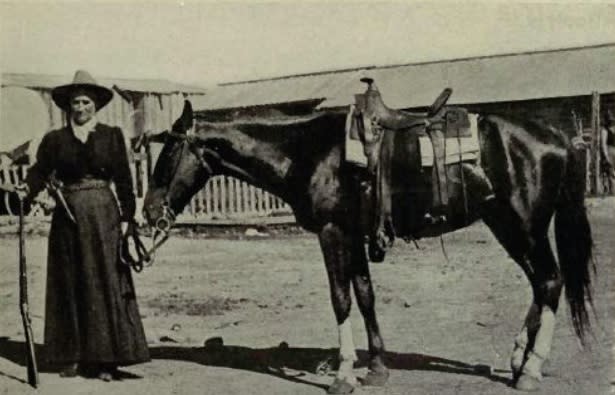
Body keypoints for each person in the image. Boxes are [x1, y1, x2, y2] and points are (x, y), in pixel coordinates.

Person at [15, 70, 150, 381]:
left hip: (104, 217)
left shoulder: (111, 136)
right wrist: (26, 189)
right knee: (70, 282)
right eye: (75, 102)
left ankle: (106, 360)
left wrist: (129, 219)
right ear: (68, 107)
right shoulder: (54, 141)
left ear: (96, 106)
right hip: (68, 218)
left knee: (104, 281)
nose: (80, 108)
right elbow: (39, 172)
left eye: (86, 102)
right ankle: (71, 356)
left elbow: (124, 181)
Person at [600, 112, 615, 193]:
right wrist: (606, 155)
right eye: (609, 120)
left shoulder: (613, 129)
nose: (611, 122)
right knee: (610, 171)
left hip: (614, 149)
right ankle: (612, 191)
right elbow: (603, 144)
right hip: (609, 151)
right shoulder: (604, 130)